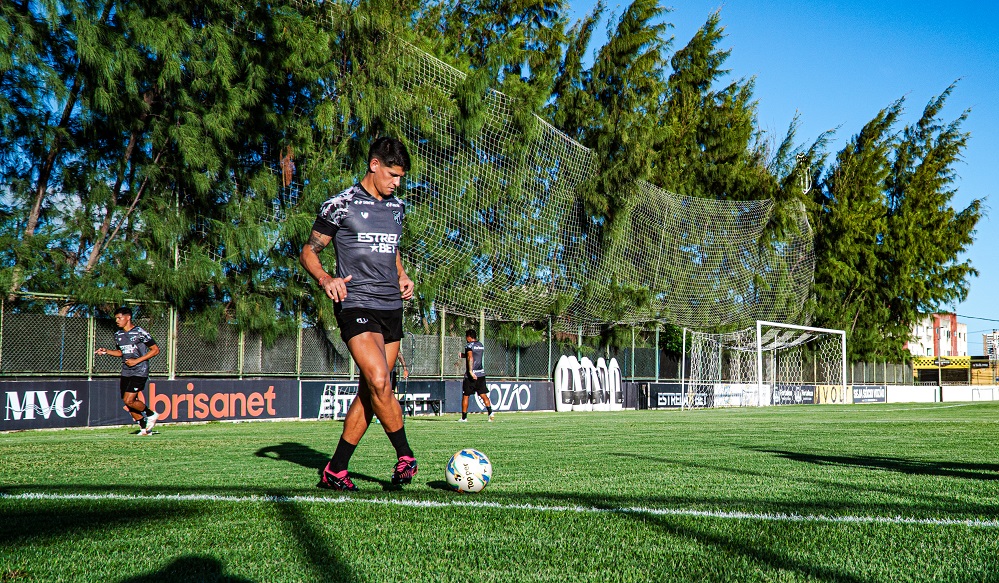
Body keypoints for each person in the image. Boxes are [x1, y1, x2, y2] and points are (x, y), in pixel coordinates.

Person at [299, 136, 418, 492]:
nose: (397, 183)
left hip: (391, 308)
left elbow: (392, 249)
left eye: (401, 178)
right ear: (374, 165)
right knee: (381, 380)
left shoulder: (396, 208)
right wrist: (325, 279)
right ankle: (405, 455)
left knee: (371, 391)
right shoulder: (341, 205)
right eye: (393, 175)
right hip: (356, 304)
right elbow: (309, 250)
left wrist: (402, 274)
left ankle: (335, 470)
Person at [95, 306, 161, 436]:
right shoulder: (118, 334)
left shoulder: (139, 332)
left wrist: (137, 361)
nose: (117, 321)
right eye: (116, 318)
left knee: (128, 400)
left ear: (128, 317)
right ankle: (144, 429)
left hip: (140, 370)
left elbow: (155, 350)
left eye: (119, 318)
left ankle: (151, 414)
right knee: (128, 401)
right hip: (126, 371)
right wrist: (106, 351)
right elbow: (121, 352)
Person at [459, 329, 494, 422]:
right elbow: (475, 356)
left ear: (469, 337)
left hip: (471, 376)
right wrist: (463, 355)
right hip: (481, 374)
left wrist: (470, 371)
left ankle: (464, 418)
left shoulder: (469, 345)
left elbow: (471, 357)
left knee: (466, 395)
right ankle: (490, 413)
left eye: (466, 336)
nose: (466, 338)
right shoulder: (480, 345)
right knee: (483, 395)